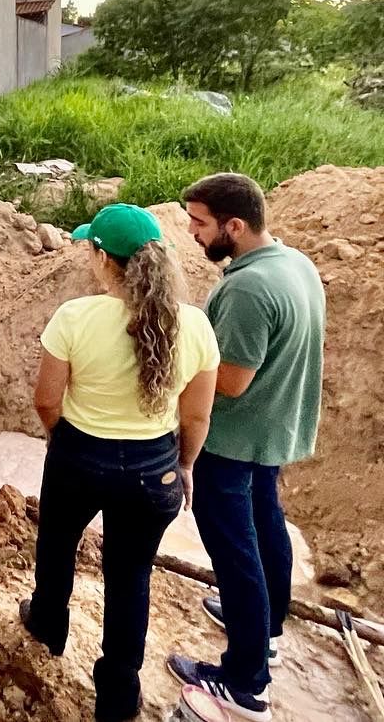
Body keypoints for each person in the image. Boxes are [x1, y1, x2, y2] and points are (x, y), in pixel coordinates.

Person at [22, 204, 219, 722]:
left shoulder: (75, 317)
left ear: (102, 257)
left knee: (58, 544)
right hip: (154, 467)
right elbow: (196, 417)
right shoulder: (195, 326)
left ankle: (47, 624)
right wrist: (186, 466)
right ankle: (116, 692)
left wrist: (58, 438)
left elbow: (46, 399)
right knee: (130, 576)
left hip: (80, 457)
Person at [167, 174, 325, 722]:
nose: (191, 233)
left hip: (232, 439)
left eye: (200, 223)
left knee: (235, 553)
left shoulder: (247, 290)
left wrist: (177, 371)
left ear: (234, 226)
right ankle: (267, 627)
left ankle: (245, 682)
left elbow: (230, 381)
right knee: (266, 525)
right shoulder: (293, 264)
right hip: (272, 429)